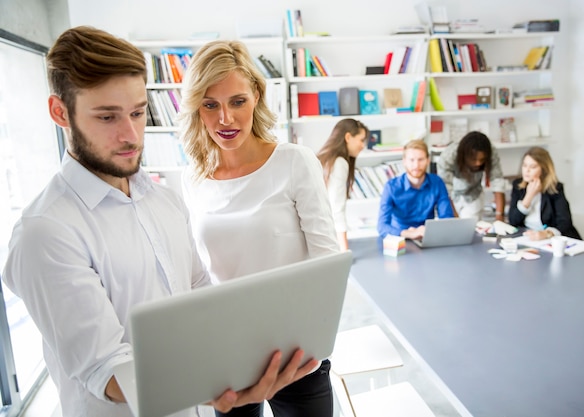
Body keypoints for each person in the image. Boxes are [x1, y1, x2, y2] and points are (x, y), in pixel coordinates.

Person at [1, 26, 317, 417]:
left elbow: (200, 292)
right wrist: (220, 389)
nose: (131, 134)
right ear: (60, 112)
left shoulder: (163, 200)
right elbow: (107, 371)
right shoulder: (46, 231)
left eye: (137, 112)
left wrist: (241, 365)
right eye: (107, 117)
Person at [177, 40, 339, 417]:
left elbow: (327, 263)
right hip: (229, 351)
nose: (225, 120)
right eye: (210, 105)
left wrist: (313, 337)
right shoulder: (193, 179)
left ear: (256, 97)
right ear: (196, 109)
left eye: (237, 101)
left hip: (296, 352)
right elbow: (199, 274)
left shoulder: (294, 162)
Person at [377, 139, 454, 239]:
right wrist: (409, 234)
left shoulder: (437, 182)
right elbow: (382, 226)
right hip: (399, 237)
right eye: (412, 160)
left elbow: (447, 219)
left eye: (421, 159)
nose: (416, 165)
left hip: (427, 236)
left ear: (428, 160)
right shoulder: (391, 187)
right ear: (404, 161)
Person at [316, 118, 369, 250]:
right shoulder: (339, 163)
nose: (363, 146)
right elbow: (337, 209)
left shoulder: (324, 158)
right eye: (361, 140)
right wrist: (344, 250)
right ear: (348, 137)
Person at [508, 146, 581, 240]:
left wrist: (546, 233)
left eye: (533, 167)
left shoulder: (555, 188)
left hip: (553, 240)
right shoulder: (518, 186)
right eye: (524, 165)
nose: (527, 170)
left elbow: (565, 222)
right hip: (528, 238)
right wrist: (529, 196)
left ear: (544, 169)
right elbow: (513, 221)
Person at [436, 131, 507, 221]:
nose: (478, 163)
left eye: (482, 160)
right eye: (474, 159)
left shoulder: (491, 151)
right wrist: (455, 218)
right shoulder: (449, 155)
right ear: (464, 156)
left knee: (470, 227)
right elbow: (444, 189)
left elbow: (497, 181)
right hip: (452, 196)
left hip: (474, 195)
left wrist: (499, 216)